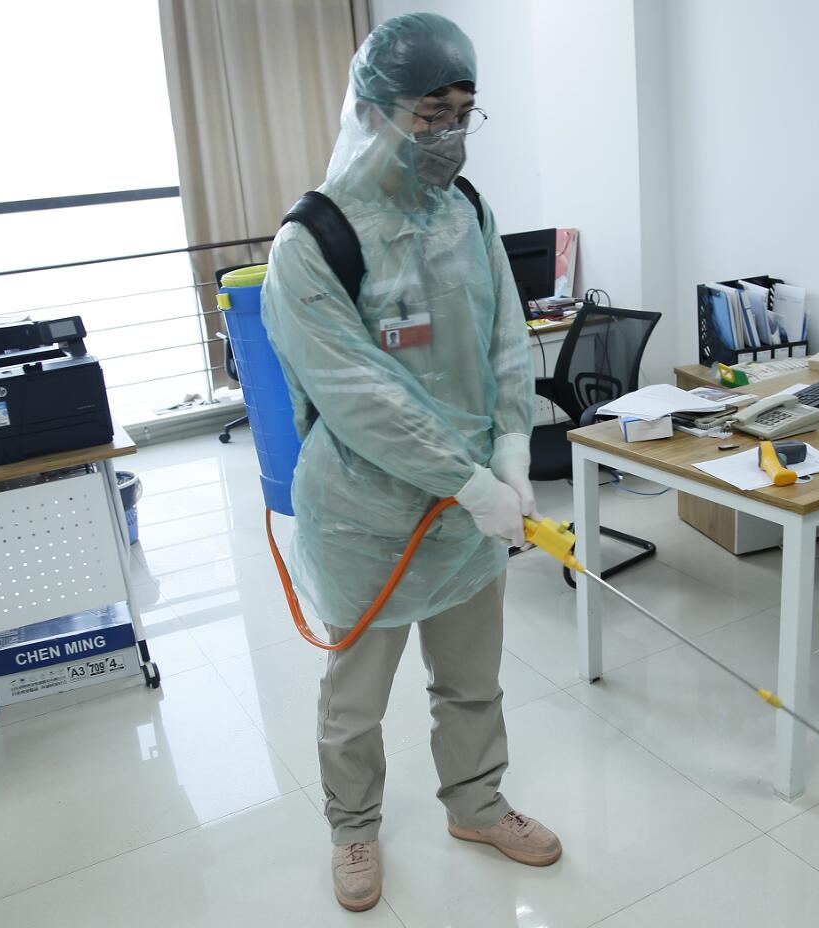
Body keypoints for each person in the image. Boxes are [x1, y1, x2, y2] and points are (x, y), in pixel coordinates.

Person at [261, 11, 561, 914]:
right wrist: (465, 481)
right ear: (371, 109)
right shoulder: (313, 242)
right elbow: (357, 395)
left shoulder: (466, 210)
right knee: (355, 699)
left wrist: (510, 447)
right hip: (367, 517)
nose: (449, 134)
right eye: (431, 114)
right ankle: (353, 830)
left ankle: (477, 805)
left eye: (464, 113)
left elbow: (505, 337)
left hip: (472, 510)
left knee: (471, 680)